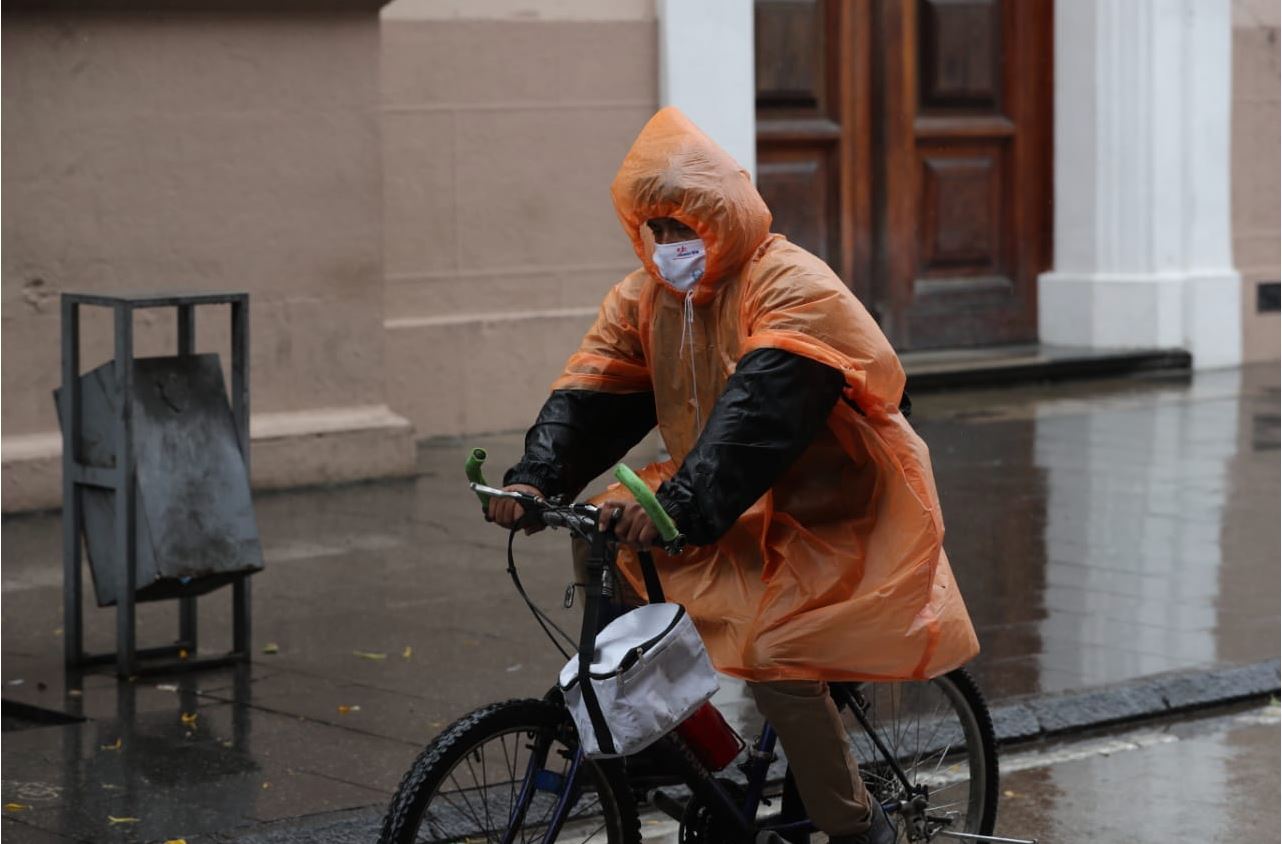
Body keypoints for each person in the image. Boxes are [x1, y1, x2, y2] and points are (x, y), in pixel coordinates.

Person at [489, 107, 979, 844]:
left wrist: (681, 506)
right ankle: (681, 745)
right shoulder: (647, 297)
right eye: (654, 230)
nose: (668, 245)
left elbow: (760, 415)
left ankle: (859, 827)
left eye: (683, 227)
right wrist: (535, 480)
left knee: (780, 656)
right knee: (603, 538)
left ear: (723, 215)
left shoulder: (790, 283)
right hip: (727, 495)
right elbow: (592, 393)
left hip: (832, 505)